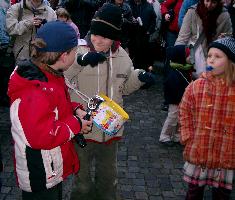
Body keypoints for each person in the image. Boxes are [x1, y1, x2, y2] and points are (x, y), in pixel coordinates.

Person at [64, 3, 156, 200]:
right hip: (84, 128)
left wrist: (139, 78)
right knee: (82, 183)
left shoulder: (123, 56)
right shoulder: (77, 51)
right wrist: (79, 63)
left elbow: (124, 87)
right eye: (95, 34)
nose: (97, 39)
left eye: (104, 37)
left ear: (114, 37)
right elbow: (62, 81)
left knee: (108, 180)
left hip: (110, 130)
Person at [7, 21, 92, 200]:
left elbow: (54, 108)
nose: (76, 56)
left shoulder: (50, 74)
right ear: (63, 55)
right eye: (74, 52)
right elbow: (42, 135)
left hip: (51, 166)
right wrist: (76, 124)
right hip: (41, 173)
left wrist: (74, 110)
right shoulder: (34, 90)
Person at [179, 36, 235, 200]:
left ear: (230, 61)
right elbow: (184, 110)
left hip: (226, 152)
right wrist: (188, 136)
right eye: (209, 55)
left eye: (218, 56)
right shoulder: (197, 86)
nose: (211, 60)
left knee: (222, 195)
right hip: (200, 149)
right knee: (194, 193)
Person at [175, 0, 232, 75]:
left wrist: (223, 40)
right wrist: (177, 55)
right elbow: (182, 37)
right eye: (207, 0)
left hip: (214, 59)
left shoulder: (224, 15)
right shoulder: (192, 11)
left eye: (214, 2)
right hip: (192, 57)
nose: (209, 5)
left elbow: (228, 39)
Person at [159, 45, 193, 146]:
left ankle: (176, 136)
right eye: (188, 56)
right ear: (181, 58)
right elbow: (170, 88)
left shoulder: (185, 69)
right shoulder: (175, 73)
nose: (190, 57)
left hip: (182, 100)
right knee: (172, 118)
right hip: (176, 100)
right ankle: (164, 136)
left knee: (180, 119)